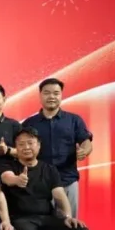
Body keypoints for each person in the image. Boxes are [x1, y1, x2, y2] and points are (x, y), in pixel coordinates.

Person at [22, 78, 93, 218]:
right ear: (40, 95)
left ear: (61, 95)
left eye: (56, 93)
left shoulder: (74, 120)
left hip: (67, 179)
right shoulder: (29, 123)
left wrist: (84, 150)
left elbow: (86, 141)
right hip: (38, 182)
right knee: (41, 224)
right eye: (47, 93)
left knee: (69, 223)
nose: (51, 97)